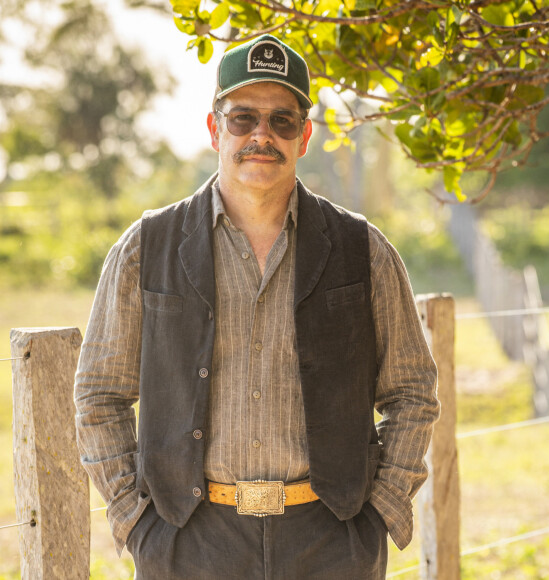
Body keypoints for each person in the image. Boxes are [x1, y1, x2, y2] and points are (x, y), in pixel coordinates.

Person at [74, 34, 440, 580]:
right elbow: (100, 395)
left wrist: (380, 512)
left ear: (305, 135)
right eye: (243, 118)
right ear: (214, 127)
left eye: (282, 120)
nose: (261, 135)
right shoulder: (144, 248)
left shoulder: (363, 250)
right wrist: (135, 519)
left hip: (330, 541)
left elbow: (413, 392)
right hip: (188, 542)